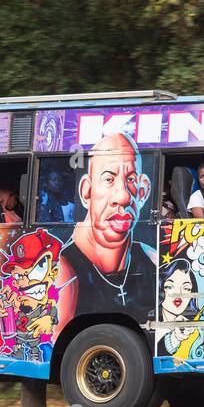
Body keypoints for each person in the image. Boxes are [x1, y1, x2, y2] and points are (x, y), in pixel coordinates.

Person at [55, 130, 156, 319]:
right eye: (108, 179)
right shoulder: (64, 273)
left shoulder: (151, 260)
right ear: (87, 192)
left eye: (131, 180)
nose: (123, 196)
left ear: (143, 193)